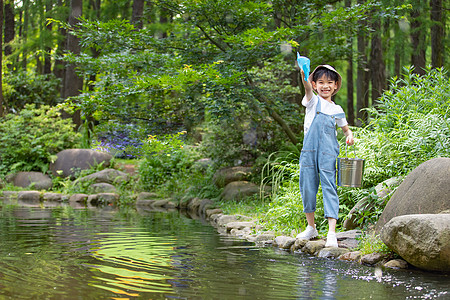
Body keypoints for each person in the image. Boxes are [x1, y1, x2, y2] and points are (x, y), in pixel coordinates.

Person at [297, 64, 354, 248]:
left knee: (329, 187)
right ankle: (311, 227)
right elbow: (305, 87)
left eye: (329, 82)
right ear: (314, 85)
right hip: (309, 152)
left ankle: (331, 232)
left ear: (336, 85)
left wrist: (350, 136)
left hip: (329, 153)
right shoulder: (312, 101)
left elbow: (345, 129)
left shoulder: (337, 109)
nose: (325, 86)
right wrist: (305, 76)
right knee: (307, 187)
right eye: (320, 82)